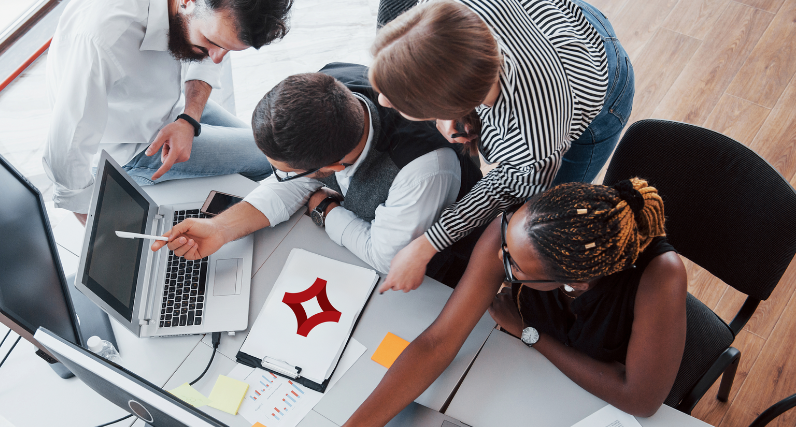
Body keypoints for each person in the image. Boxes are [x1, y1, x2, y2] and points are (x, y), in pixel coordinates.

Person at [343, 178, 687, 425]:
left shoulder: (660, 277)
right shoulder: (522, 229)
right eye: (505, 243)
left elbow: (640, 400)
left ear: (574, 281)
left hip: (587, 401)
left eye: (513, 267)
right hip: (522, 376)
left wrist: (530, 334)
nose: (498, 257)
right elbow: (437, 342)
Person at [368, 0, 635, 292]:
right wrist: (451, 108)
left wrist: (426, 244)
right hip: (560, 20)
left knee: (545, 229)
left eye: (397, 101)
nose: (382, 100)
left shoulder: (532, 140)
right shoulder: (447, 13)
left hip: (598, 78)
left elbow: (503, 189)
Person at [151, 63, 483, 280]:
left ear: (334, 168)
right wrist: (220, 229)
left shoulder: (423, 169)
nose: (280, 177)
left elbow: (386, 256)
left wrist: (325, 210)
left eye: (289, 172)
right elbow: (289, 186)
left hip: (442, 266)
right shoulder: (326, 89)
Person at [43, 0, 293, 224]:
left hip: (168, 106)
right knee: (275, 157)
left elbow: (208, 57)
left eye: (227, 49)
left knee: (277, 148)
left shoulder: (202, 16)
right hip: (132, 146)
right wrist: (97, 229)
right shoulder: (102, 37)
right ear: (187, 2)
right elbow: (65, 148)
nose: (217, 59)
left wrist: (189, 119)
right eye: (212, 43)